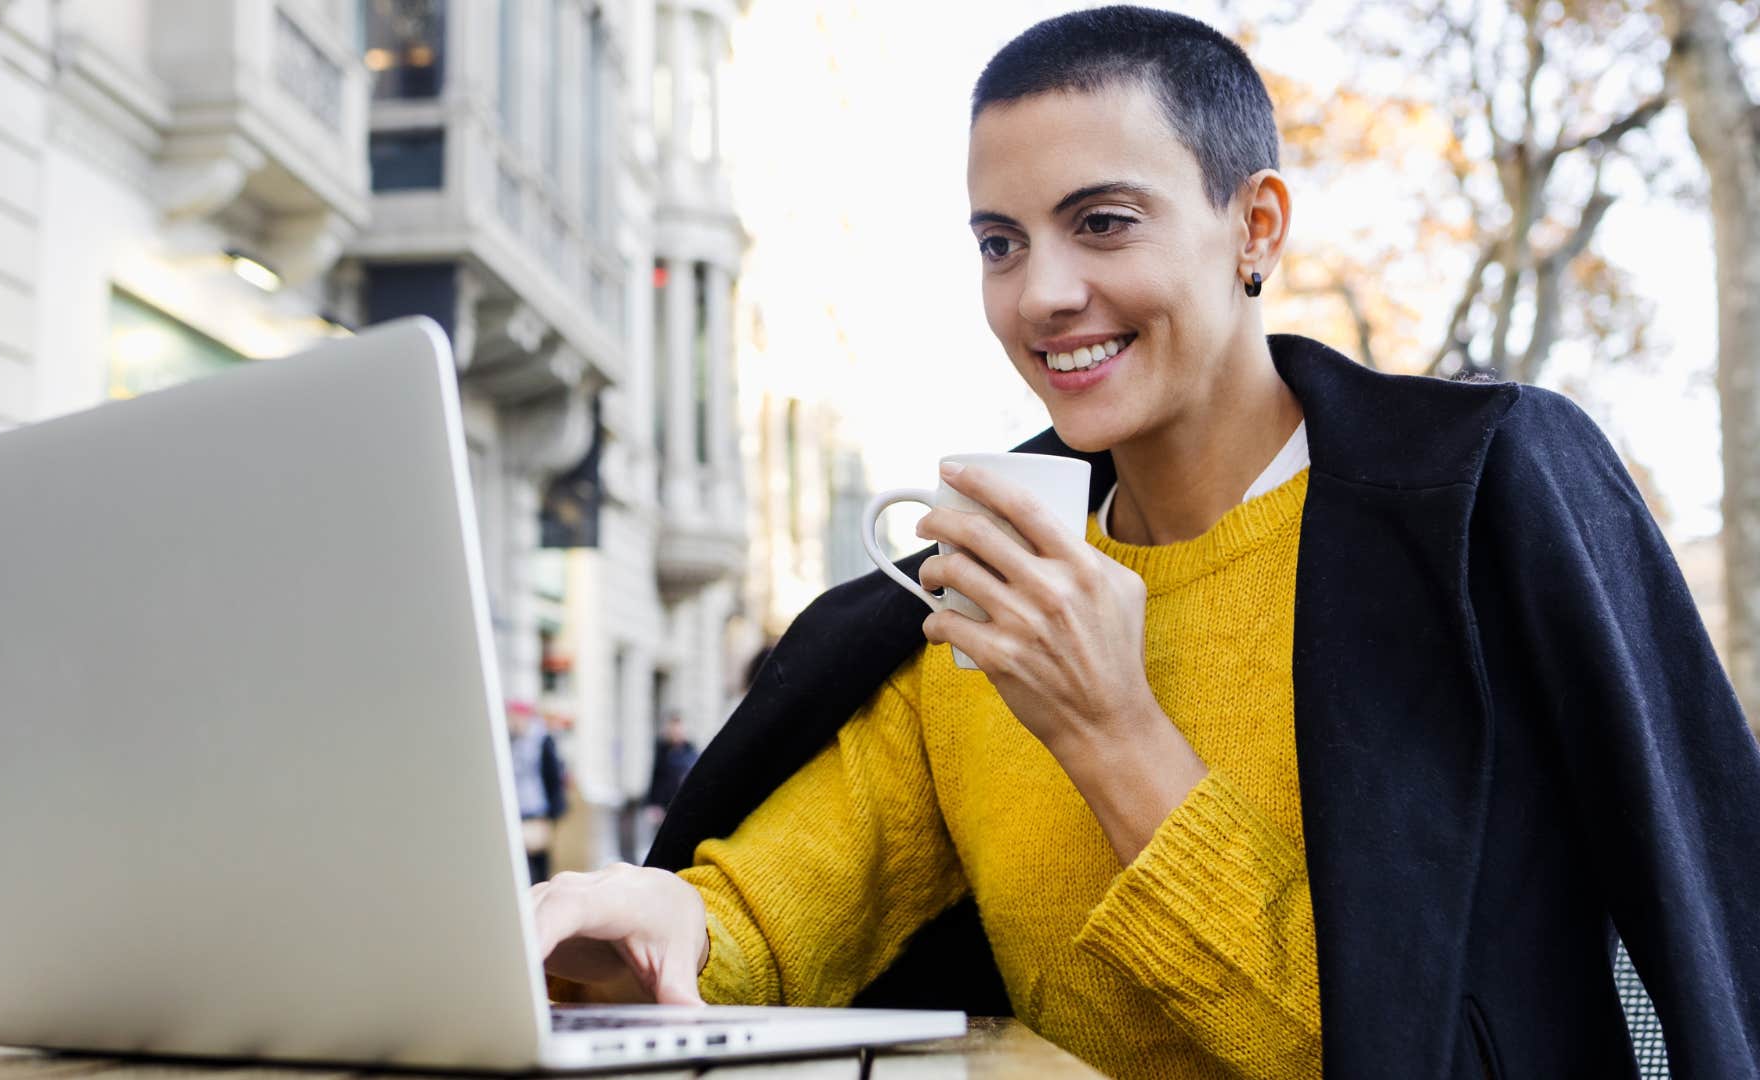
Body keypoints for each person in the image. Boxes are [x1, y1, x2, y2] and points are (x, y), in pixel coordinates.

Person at [530, 7, 1760, 1078]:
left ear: (1256, 226)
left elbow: (1384, 1045)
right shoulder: (983, 594)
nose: (1040, 294)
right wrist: (652, 918)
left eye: (1104, 223)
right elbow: (774, 918)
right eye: (999, 242)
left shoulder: (1476, 516)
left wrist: (1110, 727)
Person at [506, 699, 568, 883]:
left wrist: (553, 815)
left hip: (536, 810)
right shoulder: (507, 740)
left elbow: (553, 777)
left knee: (537, 864)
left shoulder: (541, 740)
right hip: (515, 811)